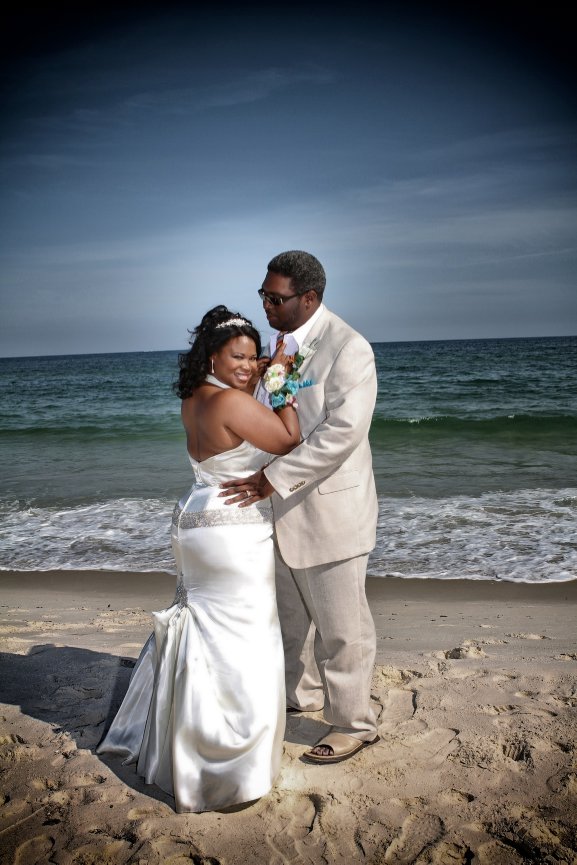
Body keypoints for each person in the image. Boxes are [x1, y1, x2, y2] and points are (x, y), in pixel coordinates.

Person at [97, 305, 301, 813]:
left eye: (256, 358)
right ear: (214, 354)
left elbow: (238, 418)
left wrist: (260, 375)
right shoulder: (233, 402)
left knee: (206, 631)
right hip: (233, 532)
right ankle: (228, 763)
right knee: (244, 639)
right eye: (240, 355)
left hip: (194, 519)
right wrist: (283, 382)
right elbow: (288, 437)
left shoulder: (195, 397)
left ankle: (183, 747)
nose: (250, 365)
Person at [221, 250, 380, 764]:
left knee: (342, 627)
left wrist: (272, 479)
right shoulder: (281, 346)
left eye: (276, 297)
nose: (265, 304)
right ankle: (301, 697)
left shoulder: (349, 348)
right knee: (290, 622)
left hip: (331, 511)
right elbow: (277, 414)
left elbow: (343, 434)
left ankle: (354, 723)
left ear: (308, 299)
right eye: (264, 294)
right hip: (278, 516)